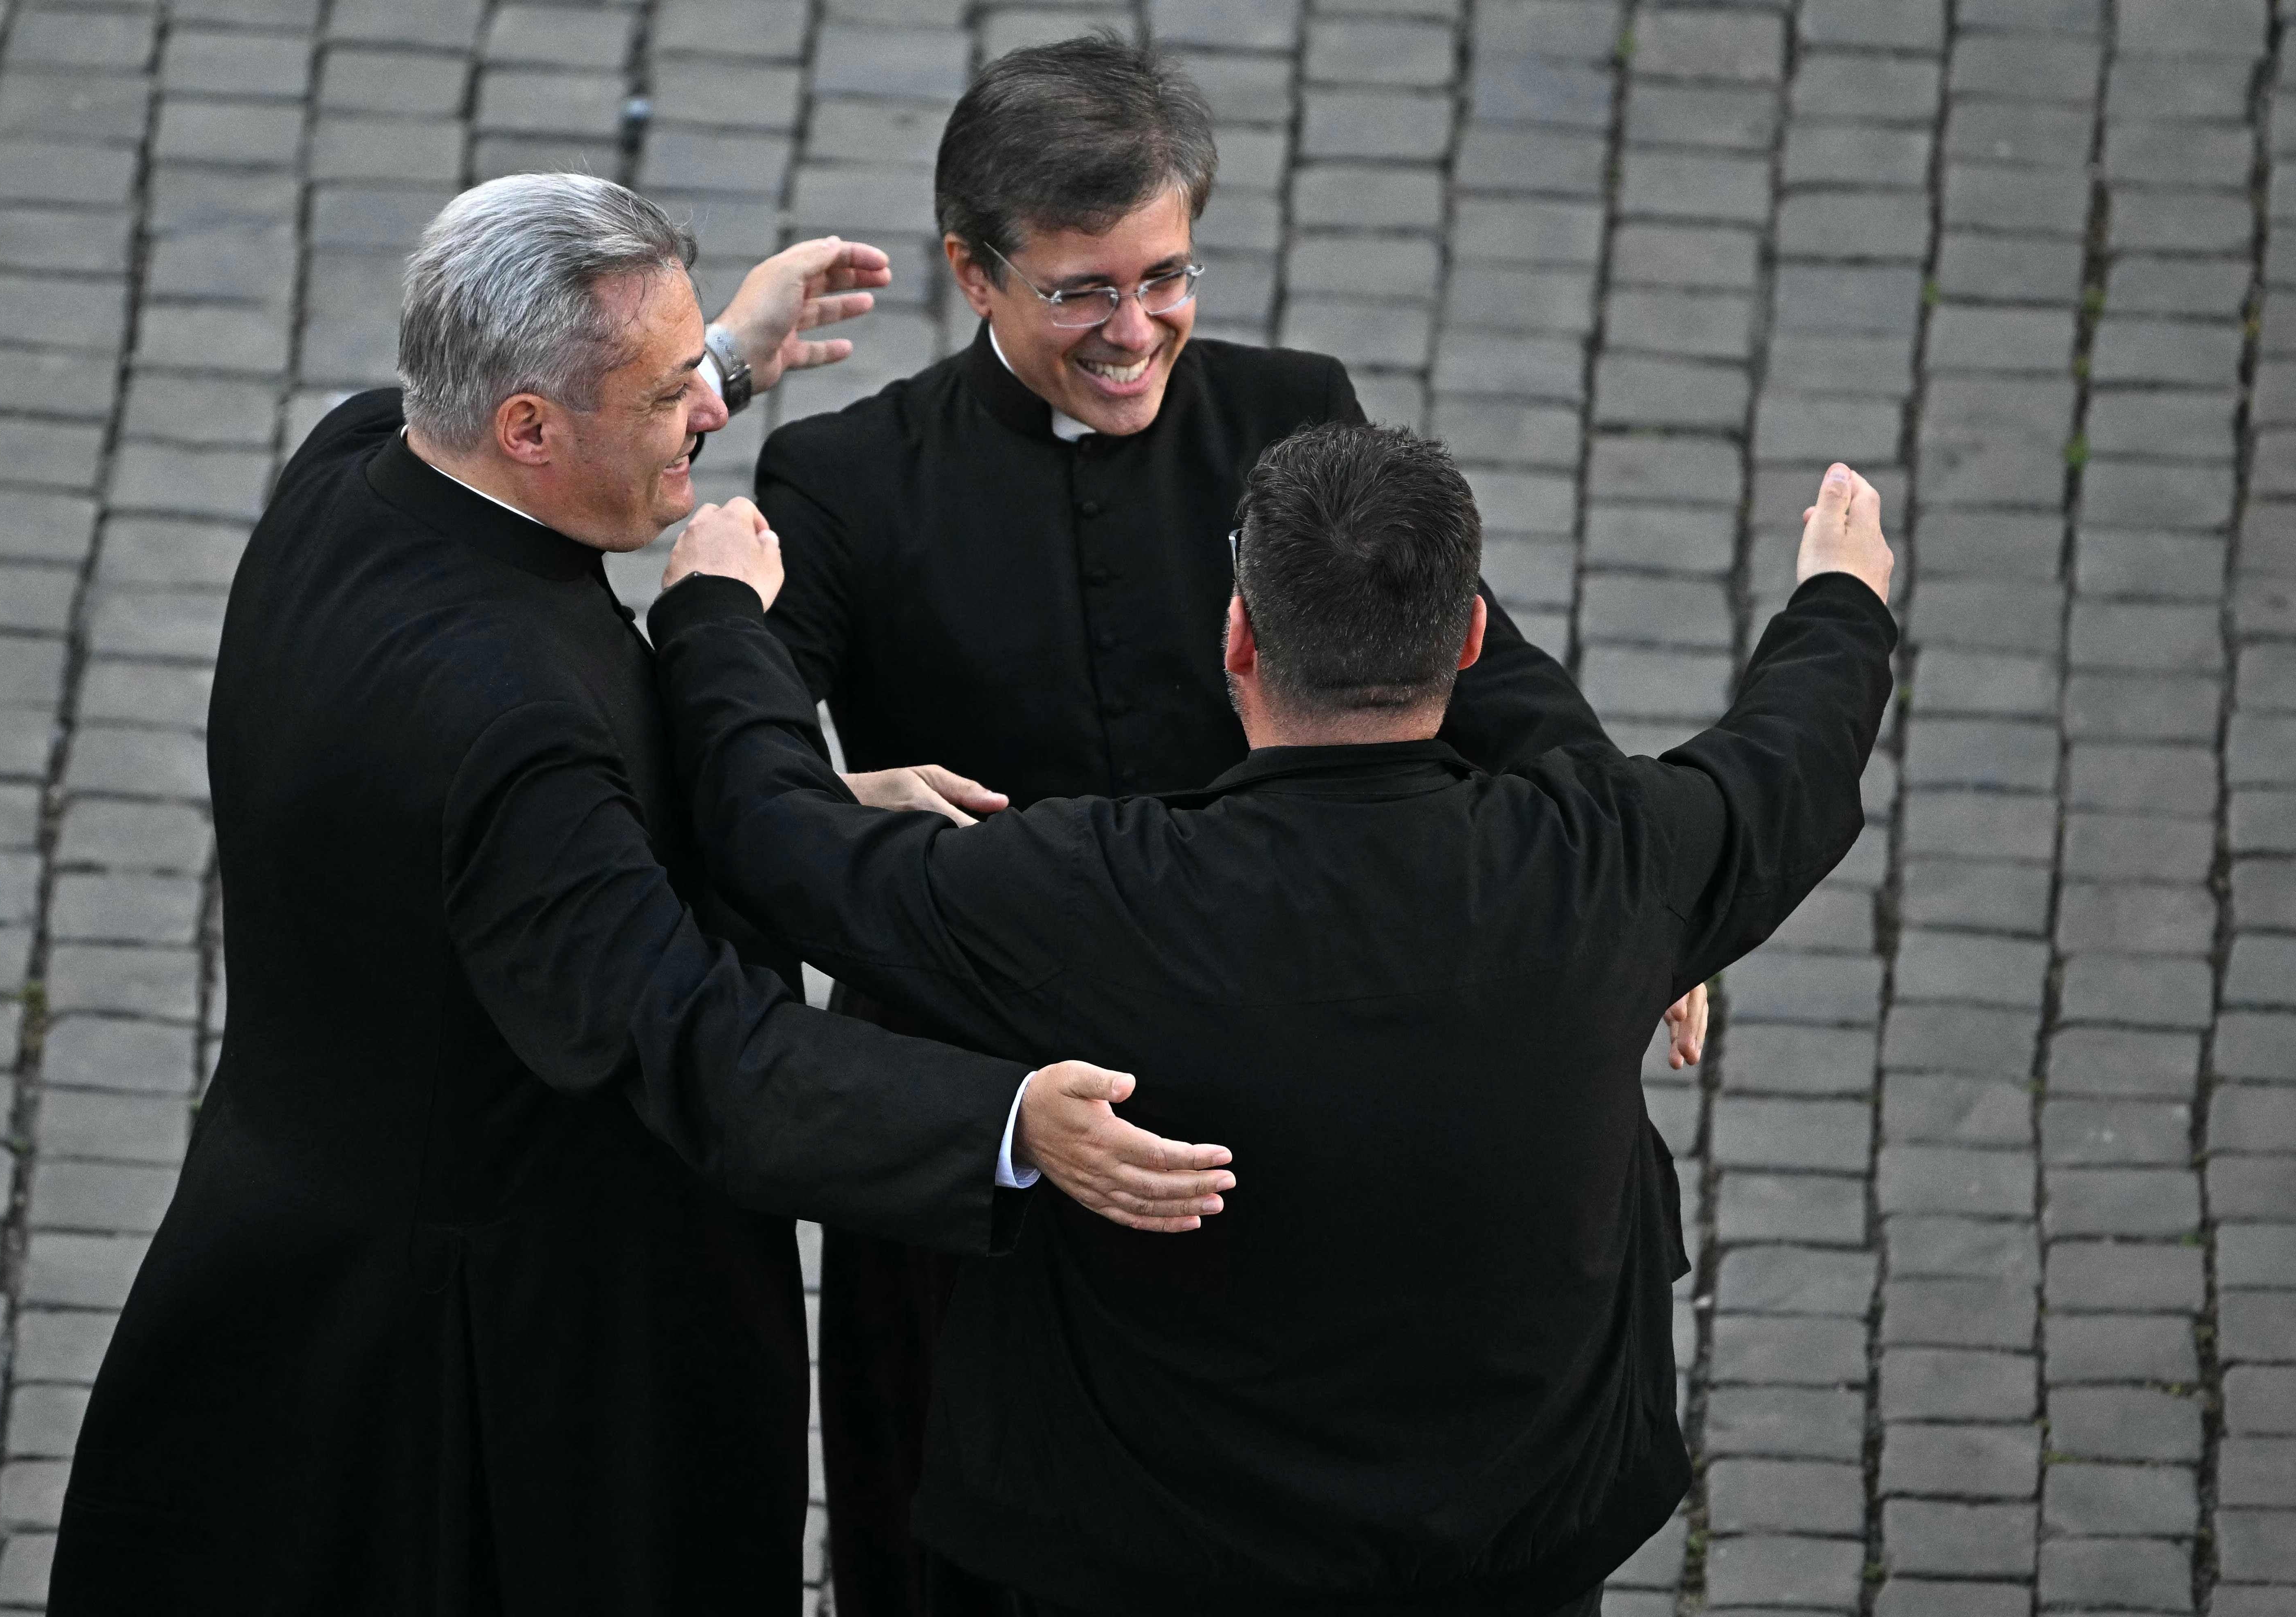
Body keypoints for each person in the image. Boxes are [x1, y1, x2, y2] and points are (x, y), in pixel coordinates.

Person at [48, 174, 1234, 1616]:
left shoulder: (359, 460)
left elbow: (532, 827)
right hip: (484, 1358)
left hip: (280, 1241)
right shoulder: (511, 728)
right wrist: (999, 1120)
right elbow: (697, 1043)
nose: (707, 423)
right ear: (531, 427)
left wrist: (731, 349)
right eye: (674, 392)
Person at [750, 38, 1705, 1609]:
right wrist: (837, 787)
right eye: (1081, 294)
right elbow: (732, 722)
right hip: (1003, 1116)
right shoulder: (848, 479)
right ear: (972, 275)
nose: (1138, 335)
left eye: (1166, 277)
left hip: (1283, 1060)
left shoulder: (1291, 411)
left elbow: (1495, 672)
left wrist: (1626, 878)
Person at [649, 425, 1900, 1615]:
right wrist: (1840, 596)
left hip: (1159, 1554)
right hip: (1518, 1532)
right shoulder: (1611, 858)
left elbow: (784, 845)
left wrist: (714, 620)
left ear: (1239, 639)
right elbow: (1792, 753)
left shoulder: (1094, 894)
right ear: (1469, 640)